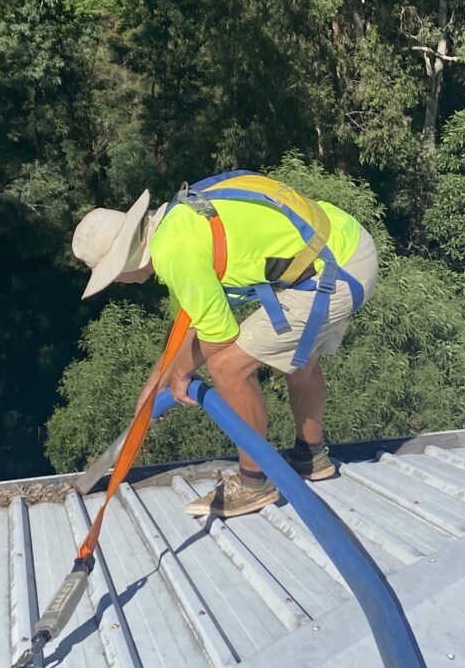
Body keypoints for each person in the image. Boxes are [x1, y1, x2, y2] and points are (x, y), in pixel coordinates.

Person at [72, 173, 378, 519]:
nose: (118, 284)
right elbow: (186, 326)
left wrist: (180, 378)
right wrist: (153, 388)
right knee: (295, 358)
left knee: (228, 365)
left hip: (335, 272)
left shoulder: (174, 252)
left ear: (123, 264)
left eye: (112, 276)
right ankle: (311, 457)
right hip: (344, 243)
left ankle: (253, 484)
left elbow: (217, 337)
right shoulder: (176, 222)